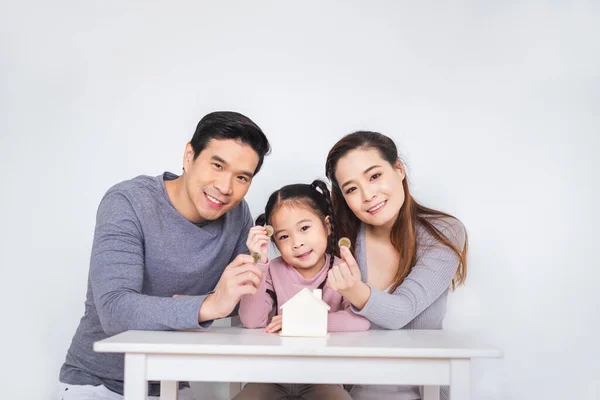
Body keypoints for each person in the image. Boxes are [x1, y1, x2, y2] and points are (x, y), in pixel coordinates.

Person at [57, 111, 271, 399]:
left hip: (168, 385)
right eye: (217, 165)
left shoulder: (237, 215)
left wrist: (258, 266)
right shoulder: (128, 202)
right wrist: (206, 305)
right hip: (98, 385)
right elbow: (115, 308)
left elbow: (233, 300)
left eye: (242, 177)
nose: (225, 187)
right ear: (189, 155)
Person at [324, 131, 468, 400]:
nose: (367, 195)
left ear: (399, 169)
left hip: (423, 393)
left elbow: (401, 311)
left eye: (375, 176)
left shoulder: (443, 232)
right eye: (352, 189)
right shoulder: (343, 241)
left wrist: (354, 290)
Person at [234, 179, 368, 400]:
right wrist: (259, 262)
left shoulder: (342, 270)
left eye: (304, 228)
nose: (297, 242)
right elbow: (251, 320)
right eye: (284, 236)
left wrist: (299, 323)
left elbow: (360, 321)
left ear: (326, 226)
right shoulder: (271, 271)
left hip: (324, 378)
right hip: (271, 377)